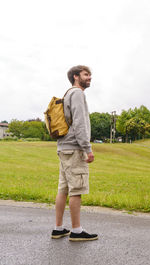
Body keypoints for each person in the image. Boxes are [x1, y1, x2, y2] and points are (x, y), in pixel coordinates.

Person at [51, 65, 98, 241]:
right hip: (74, 148)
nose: (90, 77)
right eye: (86, 75)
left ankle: (58, 228)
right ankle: (76, 231)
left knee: (63, 189)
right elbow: (79, 123)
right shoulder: (77, 93)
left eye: (90, 75)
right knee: (76, 189)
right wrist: (88, 149)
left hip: (63, 148)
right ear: (76, 76)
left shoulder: (67, 94)